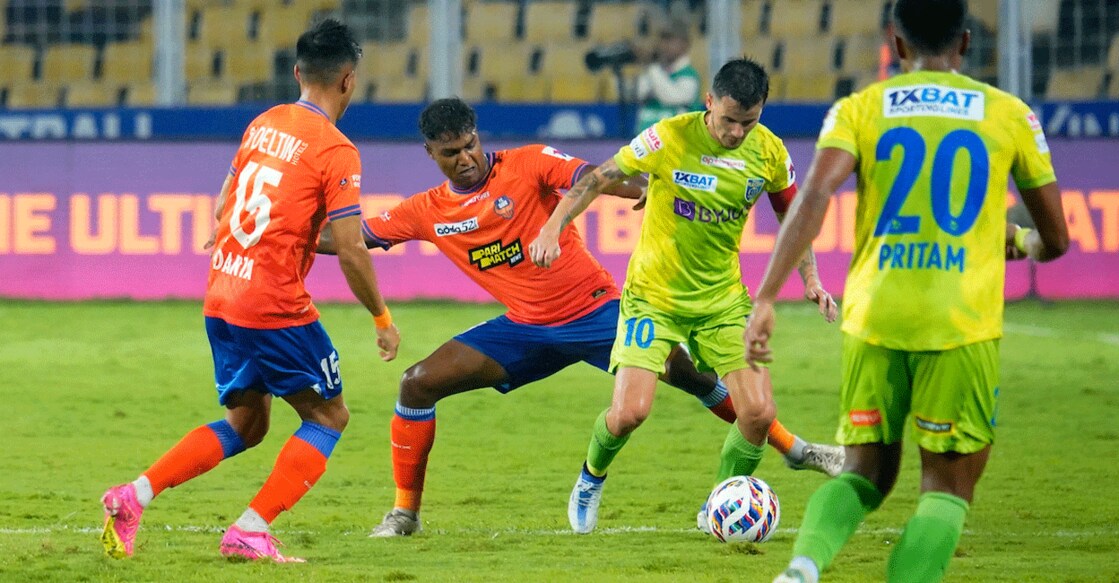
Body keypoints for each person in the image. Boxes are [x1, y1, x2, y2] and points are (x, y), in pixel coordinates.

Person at [317, 97, 842, 537]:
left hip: (596, 312)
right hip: (523, 328)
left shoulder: (525, 162)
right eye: (451, 153)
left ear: (479, 136)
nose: (466, 158)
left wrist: (629, 187)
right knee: (416, 384)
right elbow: (348, 239)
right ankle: (405, 514)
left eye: (471, 144)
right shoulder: (425, 210)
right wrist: (279, 238)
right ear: (431, 154)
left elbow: (587, 174)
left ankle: (794, 448)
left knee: (697, 380)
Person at [750, 1, 1070, 581]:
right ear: (967, 43)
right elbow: (1057, 238)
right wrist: (1023, 244)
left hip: (874, 316)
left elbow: (816, 194)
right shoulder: (1009, 114)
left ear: (897, 44)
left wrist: (768, 296)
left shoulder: (860, 108)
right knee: (946, 488)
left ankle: (802, 567)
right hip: (959, 324)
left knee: (863, 473)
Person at [99, 19, 401, 563]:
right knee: (329, 416)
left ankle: (132, 496)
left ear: (296, 73)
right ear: (349, 81)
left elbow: (225, 199)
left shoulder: (263, 122)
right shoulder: (336, 150)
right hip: (273, 304)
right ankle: (250, 530)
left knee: (249, 422)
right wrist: (381, 318)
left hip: (223, 292)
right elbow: (352, 248)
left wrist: (228, 232)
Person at [529, 58, 840, 534]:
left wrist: (812, 279)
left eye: (748, 122)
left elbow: (793, 216)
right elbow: (600, 177)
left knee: (757, 414)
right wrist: (552, 227)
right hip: (653, 297)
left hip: (722, 302)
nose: (736, 132)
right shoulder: (667, 137)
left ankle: (716, 504)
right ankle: (591, 478)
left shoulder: (770, 152)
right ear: (709, 103)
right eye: (728, 120)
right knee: (630, 413)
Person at [633, 23, 703, 132]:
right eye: (663, 40)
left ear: (685, 44)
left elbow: (670, 97)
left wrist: (652, 66)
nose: (665, 46)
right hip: (645, 141)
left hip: (677, 143)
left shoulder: (689, 75)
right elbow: (639, 94)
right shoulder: (655, 71)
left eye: (671, 41)